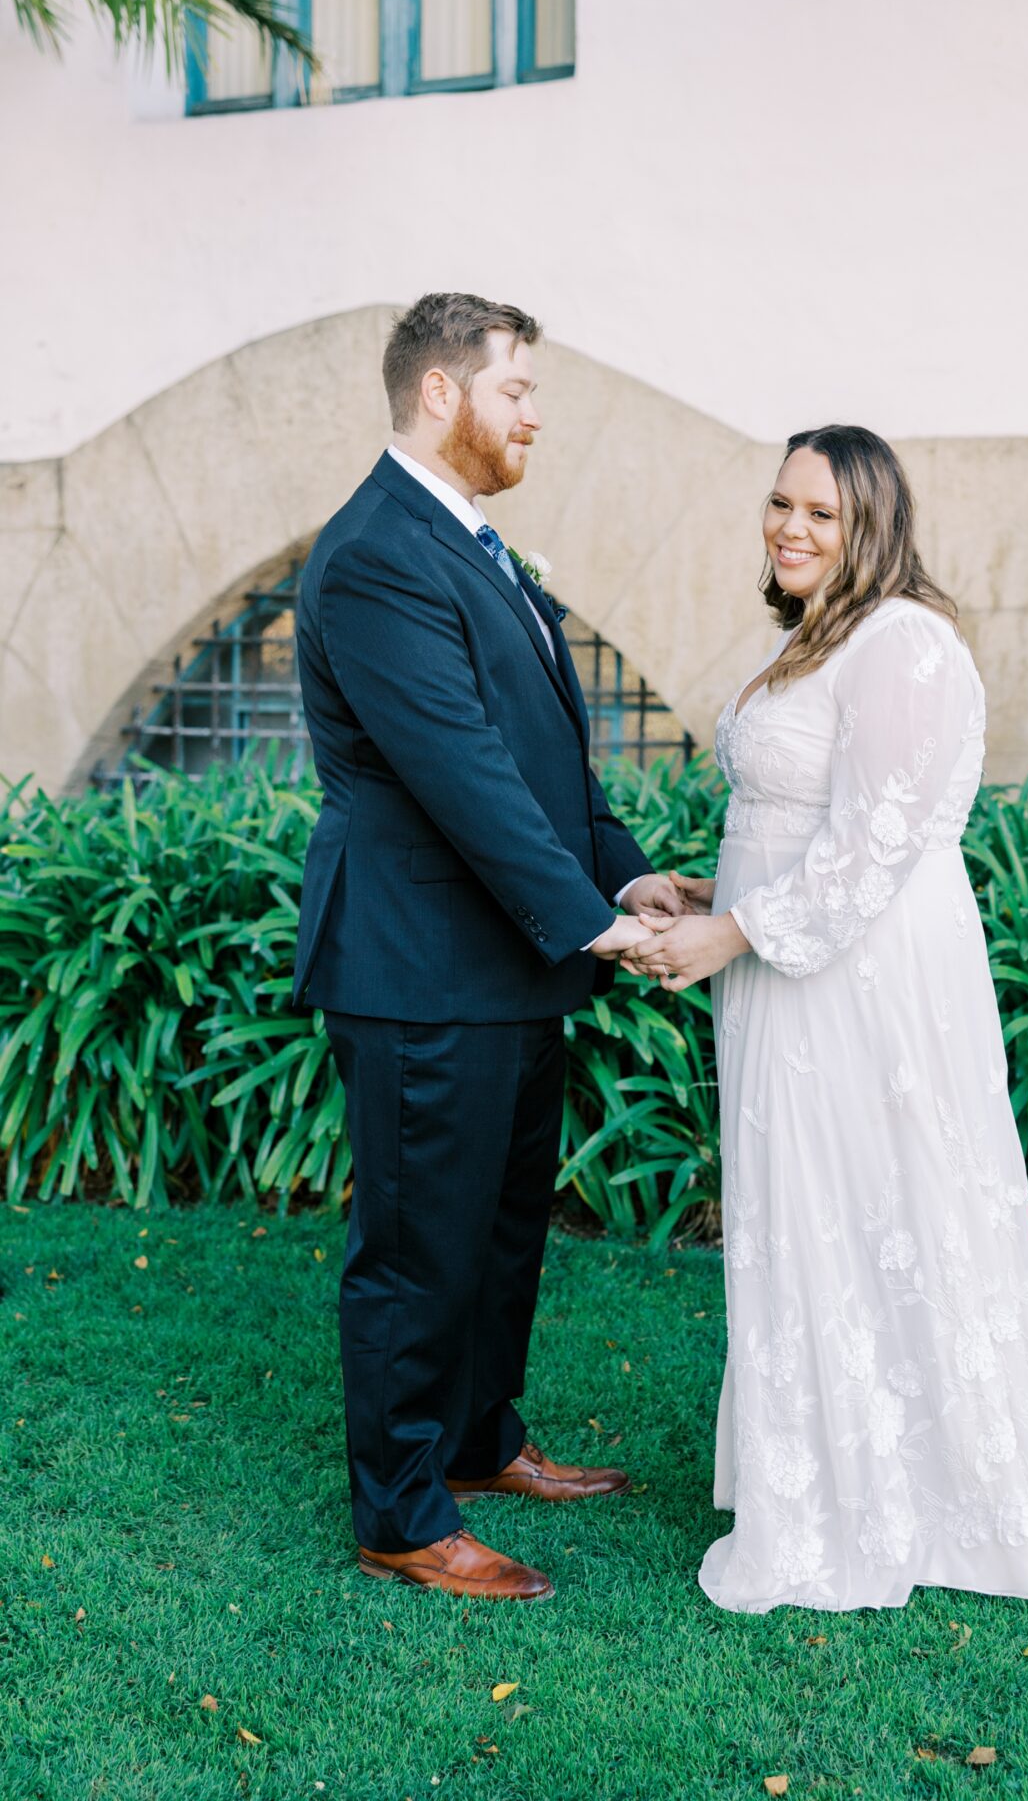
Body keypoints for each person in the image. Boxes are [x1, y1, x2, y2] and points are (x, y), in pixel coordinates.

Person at [629, 426, 1028, 1612]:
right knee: (806, 1207)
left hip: (863, 984)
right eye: (780, 502)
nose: (789, 526)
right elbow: (796, 820)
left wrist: (728, 932)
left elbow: (876, 840)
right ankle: (822, 1467)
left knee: (880, 1202)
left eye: (820, 513)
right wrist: (712, 893)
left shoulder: (905, 643)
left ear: (872, 523)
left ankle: (914, 1491)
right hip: (783, 967)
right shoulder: (816, 637)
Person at [294, 292, 683, 1601]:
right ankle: (404, 1513)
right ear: (443, 395)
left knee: (504, 1225)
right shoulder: (374, 556)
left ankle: (477, 1440)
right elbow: (462, 777)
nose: (533, 419)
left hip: (506, 966)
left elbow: (545, 767)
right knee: (419, 1245)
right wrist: (589, 920)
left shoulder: (475, 546)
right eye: (516, 392)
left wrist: (634, 880)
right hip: (417, 965)